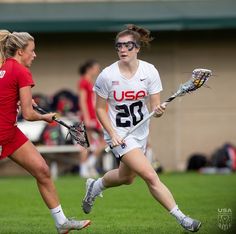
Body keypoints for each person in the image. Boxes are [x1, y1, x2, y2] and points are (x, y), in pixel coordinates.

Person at [81, 24, 201, 232]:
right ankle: (183, 218)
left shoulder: (149, 71)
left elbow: (155, 105)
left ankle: (95, 186)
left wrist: (159, 109)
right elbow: (100, 109)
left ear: (137, 48)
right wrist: (112, 134)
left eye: (128, 45)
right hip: (119, 134)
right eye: (119, 46)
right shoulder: (107, 75)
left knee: (126, 178)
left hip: (140, 133)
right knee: (150, 175)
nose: (123, 49)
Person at [0, 30, 91, 233]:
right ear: (21, 51)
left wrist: (18, 97)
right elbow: (29, 114)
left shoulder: (5, 67)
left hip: (10, 133)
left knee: (42, 171)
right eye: (32, 50)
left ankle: (61, 222)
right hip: (1, 132)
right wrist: (46, 117)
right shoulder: (22, 71)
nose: (35, 54)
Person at [77, 60, 106, 178]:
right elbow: (82, 101)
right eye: (96, 68)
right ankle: (84, 168)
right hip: (87, 116)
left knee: (104, 140)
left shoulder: (89, 82)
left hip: (93, 116)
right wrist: (87, 118)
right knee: (86, 142)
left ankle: (90, 163)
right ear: (89, 68)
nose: (97, 70)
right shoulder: (83, 82)